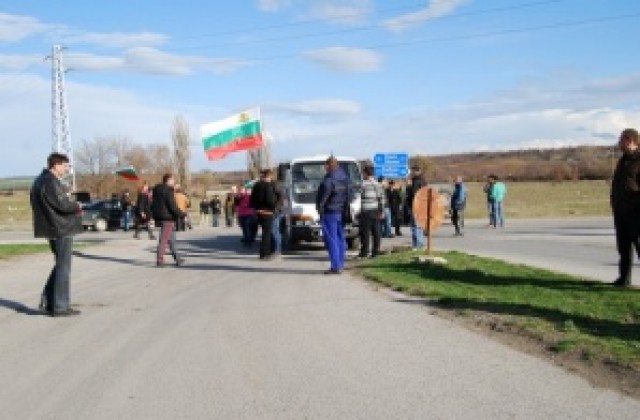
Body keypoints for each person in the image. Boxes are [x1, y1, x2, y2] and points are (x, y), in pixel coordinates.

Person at [30, 152, 83, 317]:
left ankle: (50, 301)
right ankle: (60, 306)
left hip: (51, 227)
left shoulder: (39, 181)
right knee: (63, 267)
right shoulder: (50, 182)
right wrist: (76, 204)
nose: (66, 169)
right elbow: (61, 204)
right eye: (65, 166)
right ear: (56, 165)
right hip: (61, 228)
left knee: (59, 265)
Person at [610, 128, 640, 287]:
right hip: (621, 211)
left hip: (636, 213)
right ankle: (624, 279)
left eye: (622, 139)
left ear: (631, 140)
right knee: (623, 248)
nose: (619, 142)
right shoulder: (623, 160)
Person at [316, 156, 351, 274]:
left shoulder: (329, 180)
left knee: (331, 240)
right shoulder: (344, 178)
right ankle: (340, 263)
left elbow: (323, 198)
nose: (324, 168)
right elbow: (348, 196)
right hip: (341, 211)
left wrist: (320, 210)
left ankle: (335, 267)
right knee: (340, 238)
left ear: (328, 165)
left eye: (325, 165)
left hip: (329, 212)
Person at [151, 174, 186, 267]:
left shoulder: (157, 189)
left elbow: (153, 204)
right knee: (164, 239)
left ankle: (177, 258)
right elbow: (172, 206)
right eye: (173, 180)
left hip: (159, 216)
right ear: (169, 180)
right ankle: (160, 260)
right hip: (167, 217)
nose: (174, 182)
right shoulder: (168, 190)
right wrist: (182, 215)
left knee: (172, 240)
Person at [250, 169, 278, 260]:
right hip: (268, 212)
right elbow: (270, 200)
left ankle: (265, 252)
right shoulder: (269, 186)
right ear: (269, 176)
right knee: (267, 233)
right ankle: (265, 253)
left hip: (258, 212)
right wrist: (275, 207)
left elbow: (252, 200)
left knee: (265, 232)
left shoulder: (256, 185)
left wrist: (255, 208)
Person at [358, 166, 385, 258]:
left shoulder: (363, 184)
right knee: (376, 232)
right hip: (376, 210)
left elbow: (359, 196)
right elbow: (382, 198)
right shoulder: (378, 184)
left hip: (366, 210)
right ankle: (375, 252)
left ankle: (364, 252)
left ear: (365, 173)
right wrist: (381, 211)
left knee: (365, 233)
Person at [405, 166, 427, 250]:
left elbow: (415, 194)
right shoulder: (418, 180)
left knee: (416, 226)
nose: (411, 173)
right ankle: (416, 244)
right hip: (415, 205)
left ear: (417, 171)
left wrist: (409, 186)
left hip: (417, 206)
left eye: (413, 171)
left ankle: (418, 245)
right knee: (415, 226)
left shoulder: (419, 181)